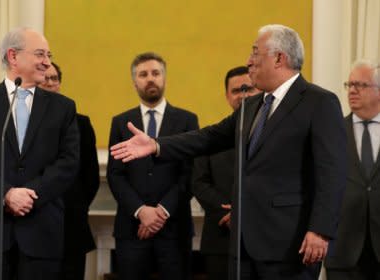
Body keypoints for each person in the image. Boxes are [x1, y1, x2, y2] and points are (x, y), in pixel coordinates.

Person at [110, 24, 347, 280]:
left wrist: (320, 231)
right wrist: (157, 145)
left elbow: (331, 173)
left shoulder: (319, 102)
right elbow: (209, 137)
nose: (248, 61)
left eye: (255, 53)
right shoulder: (252, 106)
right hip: (243, 244)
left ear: (279, 58)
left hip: (290, 242)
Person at [0, 27, 79, 280]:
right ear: (13, 56)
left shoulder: (63, 107)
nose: (47, 62)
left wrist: (30, 195)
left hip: (41, 229)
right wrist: (6, 194)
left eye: (48, 54)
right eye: (40, 54)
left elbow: (68, 162)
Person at [107, 52, 199, 280]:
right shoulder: (121, 122)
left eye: (156, 73)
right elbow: (115, 175)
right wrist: (141, 211)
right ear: (134, 82)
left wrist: (160, 212)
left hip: (175, 229)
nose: (150, 79)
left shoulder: (187, 120)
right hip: (131, 229)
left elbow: (189, 174)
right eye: (143, 74)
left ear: (165, 78)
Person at [191, 66, 259, 280]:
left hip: (263, 237)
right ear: (227, 97)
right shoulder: (212, 137)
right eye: (236, 91)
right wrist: (228, 214)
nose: (243, 95)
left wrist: (243, 212)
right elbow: (199, 183)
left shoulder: (273, 135)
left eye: (248, 88)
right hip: (220, 239)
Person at [39, 62, 100, 280]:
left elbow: (91, 176)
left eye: (54, 78)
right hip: (32, 221)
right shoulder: (21, 121)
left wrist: (77, 205)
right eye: (45, 78)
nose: (49, 83)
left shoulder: (81, 123)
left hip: (71, 221)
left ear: (60, 84)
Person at [325, 60, 380, 280]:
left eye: (361, 85)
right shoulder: (332, 131)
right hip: (343, 249)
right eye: (350, 85)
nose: (353, 91)